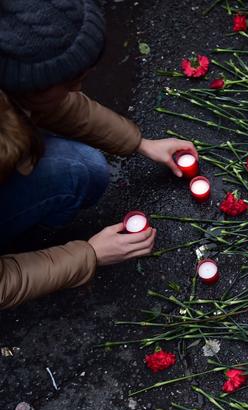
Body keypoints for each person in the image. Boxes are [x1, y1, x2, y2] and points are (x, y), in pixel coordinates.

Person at [0, 0, 197, 309]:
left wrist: (140, 143)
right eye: (68, 82)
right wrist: (87, 255)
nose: (79, 87)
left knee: (85, 169)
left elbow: (57, 104)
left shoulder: (17, 82)